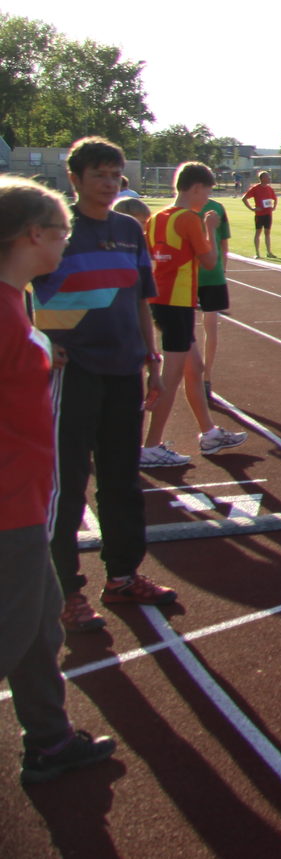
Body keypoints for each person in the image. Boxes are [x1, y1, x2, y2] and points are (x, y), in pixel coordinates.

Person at [1, 176, 120, 782]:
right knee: (13, 628)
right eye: (61, 232)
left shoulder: (16, 301)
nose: (67, 242)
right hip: (7, 503)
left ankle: (48, 741)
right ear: (32, 235)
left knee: (39, 624)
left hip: (26, 494)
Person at [36, 140, 176, 630]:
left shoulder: (129, 229)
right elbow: (15, 286)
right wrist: (39, 339)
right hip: (72, 372)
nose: (110, 183)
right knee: (68, 484)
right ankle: (65, 592)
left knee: (121, 480)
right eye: (99, 174)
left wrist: (152, 360)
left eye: (116, 175)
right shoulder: (52, 230)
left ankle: (122, 576)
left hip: (124, 370)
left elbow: (139, 299)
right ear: (74, 179)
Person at [142, 162, 248, 468]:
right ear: (197, 188)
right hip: (177, 302)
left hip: (161, 298)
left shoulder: (156, 217)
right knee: (172, 374)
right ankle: (151, 445)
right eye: (208, 192)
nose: (208, 199)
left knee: (195, 367)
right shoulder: (189, 218)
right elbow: (210, 261)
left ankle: (209, 432)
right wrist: (210, 229)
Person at [197, 187, 233, 410]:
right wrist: (222, 269)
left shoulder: (178, 209)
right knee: (210, 326)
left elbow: (224, 242)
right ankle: (205, 378)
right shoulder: (216, 208)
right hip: (211, 275)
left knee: (188, 329)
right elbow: (223, 244)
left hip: (191, 275)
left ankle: (202, 377)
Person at [241, 170, 278, 258]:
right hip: (259, 214)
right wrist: (252, 208)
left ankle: (269, 252)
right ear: (262, 178)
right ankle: (257, 253)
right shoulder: (255, 188)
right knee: (258, 232)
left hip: (268, 214)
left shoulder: (269, 189)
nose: (269, 178)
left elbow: (275, 199)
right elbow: (244, 198)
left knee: (267, 232)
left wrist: (274, 207)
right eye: (267, 177)